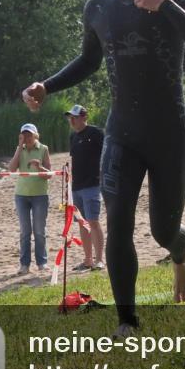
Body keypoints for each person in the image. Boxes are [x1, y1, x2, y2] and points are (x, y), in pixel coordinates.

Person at [21, 0, 185, 335]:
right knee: (119, 223)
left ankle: (180, 257)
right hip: (122, 134)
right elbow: (89, 61)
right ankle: (127, 322)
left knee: (164, 231)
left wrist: (164, 6)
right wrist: (47, 85)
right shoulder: (98, 7)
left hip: (169, 134)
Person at [65, 104, 105, 271]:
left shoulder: (96, 133)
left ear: (84, 117)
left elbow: (107, 154)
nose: (72, 120)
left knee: (93, 221)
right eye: (70, 118)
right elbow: (75, 160)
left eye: (74, 117)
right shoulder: (73, 137)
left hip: (93, 184)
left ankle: (99, 260)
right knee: (82, 223)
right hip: (77, 187)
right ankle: (88, 260)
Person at [9, 124, 52, 274]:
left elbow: (49, 174)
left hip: (40, 195)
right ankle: (24, 265)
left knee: (39, 230)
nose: (27, 137)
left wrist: (39, 167)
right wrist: (19, 147)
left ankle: (42, 262)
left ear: (36, 135)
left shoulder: (43, 149)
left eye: (29, 135)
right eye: (24, 135)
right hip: (21, 195)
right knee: (25, 231)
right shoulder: (19, 149)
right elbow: (11, 169)